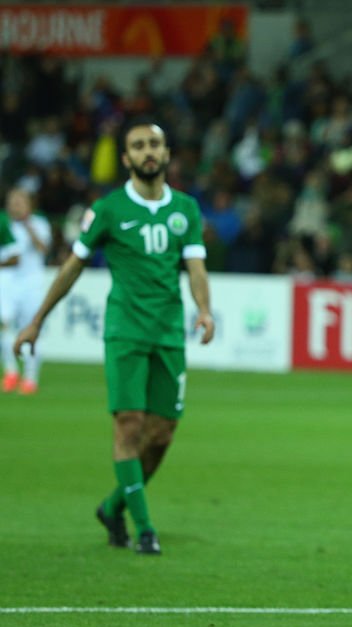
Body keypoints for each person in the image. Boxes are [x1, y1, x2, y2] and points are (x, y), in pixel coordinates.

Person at [15, 119, 215, 555]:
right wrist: (37, 320)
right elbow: (72, 266)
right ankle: (145, 529)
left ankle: (112, 505)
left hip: (168, 333)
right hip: (124, 330)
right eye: (139, 145)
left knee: (162, 434)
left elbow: (196, 267)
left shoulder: (186, 209)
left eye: (154, 145)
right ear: (125, 158)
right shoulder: (107, 210)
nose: (148, 152)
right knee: (129, 425)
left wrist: (203, 309)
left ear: (166, 155)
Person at [1, 188, 53, 394]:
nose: (15, 205)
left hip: (32, 284)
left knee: (31, 329)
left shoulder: (40, 224)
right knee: (4, 326)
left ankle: (30, 377)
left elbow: (43, 249)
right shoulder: (3, 225)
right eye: (12, 202)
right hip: (6, 283)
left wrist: (27, 225)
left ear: (29, 204)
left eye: (19, 201)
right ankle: (11, 372)